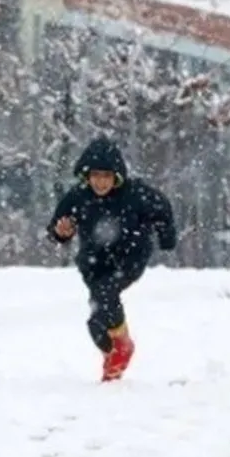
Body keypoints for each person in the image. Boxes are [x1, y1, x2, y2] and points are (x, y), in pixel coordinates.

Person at [46, 136, 177, 381]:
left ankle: (120, 349)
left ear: (117, 176)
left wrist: (166, 237)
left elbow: (162, 208)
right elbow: (57, 227)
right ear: (86, 176)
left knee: (106, 296)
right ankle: (117, 347)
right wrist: (60, 232)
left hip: (129, 258)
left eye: (107, 176)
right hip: (93, 262)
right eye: (95, 176)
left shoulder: (135, 193)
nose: (101, 182)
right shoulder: (78, 197)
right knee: (99, 313)